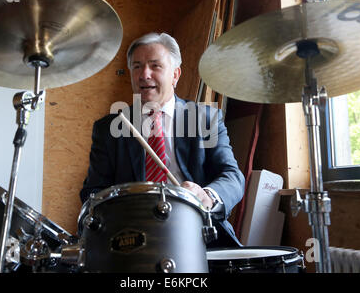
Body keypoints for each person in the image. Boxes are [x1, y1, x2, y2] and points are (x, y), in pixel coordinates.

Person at [80, 32, 245, 248]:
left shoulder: (205, 119)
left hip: (199, 233)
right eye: (137, 66)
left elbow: (232, 177)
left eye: (155, 66)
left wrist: (206, 196)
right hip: (133, 240)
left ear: (175, 75)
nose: (144, 74)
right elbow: (93, 191)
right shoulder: (109, 128)